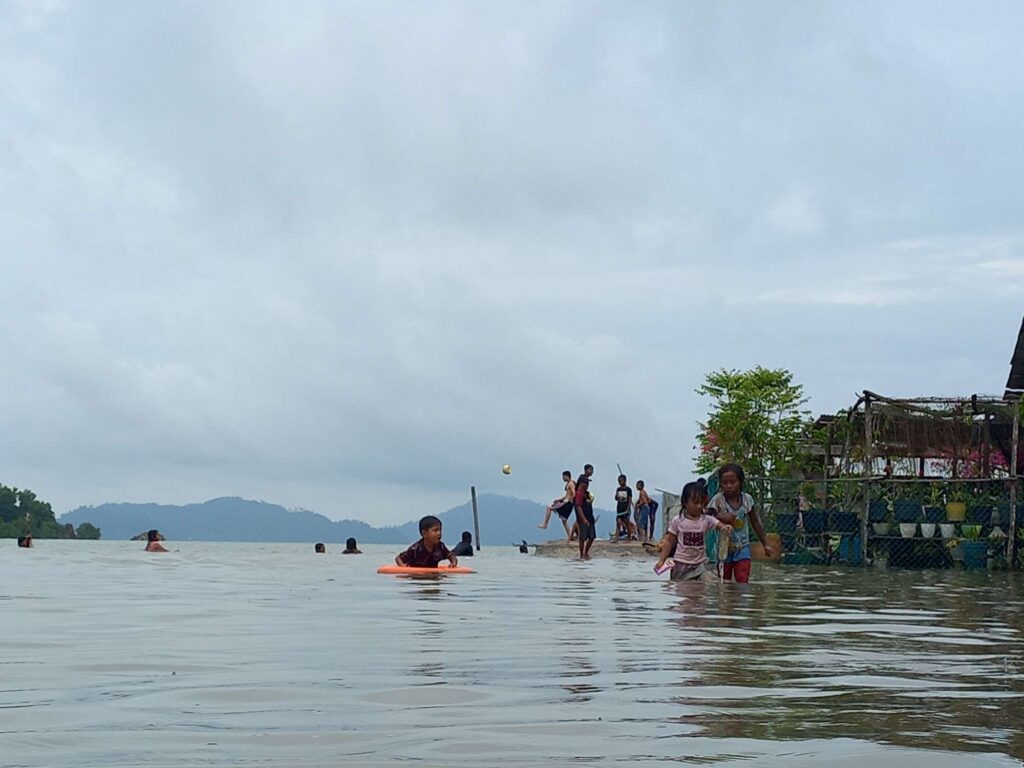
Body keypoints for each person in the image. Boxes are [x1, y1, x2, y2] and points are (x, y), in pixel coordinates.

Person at [655, 479, 732, 580]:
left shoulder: (706, 519)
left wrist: (726, 528)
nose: (699, 506)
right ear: (685, 502)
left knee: (710, 580)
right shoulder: (677, 521)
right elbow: (669, 542)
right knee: (685, 592)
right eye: (695, 503)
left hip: (700, 565)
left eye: (701, 503)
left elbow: (720, 525)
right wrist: (662, 560)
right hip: (680, 565)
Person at [708, 463, 772, 583]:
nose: (729, 486)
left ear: (741, 482)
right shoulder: (717, 500)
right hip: (723, 548)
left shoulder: (747, 500)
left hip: (743, 547)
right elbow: (706, 517)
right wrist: (720, 516)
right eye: (725, 483)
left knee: (742, 581)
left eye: (733, 482)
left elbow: (755, 523)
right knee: (724, 582)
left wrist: (765, 544)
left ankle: (740, 601)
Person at [538, 470, 576, 540]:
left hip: (567, 503)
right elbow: (567, 495)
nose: (563, 478)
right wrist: (559, 499)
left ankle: (545, 524)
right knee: (564, 521)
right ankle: (571, 536)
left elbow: (574, 494)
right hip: (566, 502)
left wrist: (569, 501)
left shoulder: (571, 484)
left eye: (563, 477)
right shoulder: (568, 484)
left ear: (567, 476)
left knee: (549, 507)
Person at [574, 464, 596, 560]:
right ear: (582, 484)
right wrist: (583, 519)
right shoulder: (579, 494)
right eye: (586, 483)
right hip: (583, 518)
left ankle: (586, 552)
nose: (587, 485)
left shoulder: (586, 494)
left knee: (592, 536)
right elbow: (578, 507)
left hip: (589, 516)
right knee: (583, 537)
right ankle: (581, 554)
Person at [613, 474, 635, 541]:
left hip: (626, 509)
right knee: (618, 522)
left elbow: (630, 499)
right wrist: (617, 495)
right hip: (619, 508)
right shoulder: (618, 489)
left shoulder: (628, 489)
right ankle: (616, 538)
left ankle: (629, 536)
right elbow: (616, 498)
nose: (620, 482)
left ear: (625, 481)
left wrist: (628, 508)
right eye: (619, 481)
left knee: (626, 522)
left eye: (621, 481)